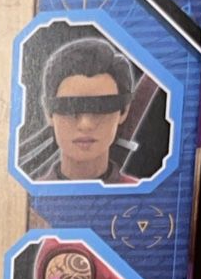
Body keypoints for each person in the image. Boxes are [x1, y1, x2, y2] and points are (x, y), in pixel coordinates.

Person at [19, 36, 139, 184]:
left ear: (123, 111)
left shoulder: (143, 194)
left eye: (101, 108)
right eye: (69, 108)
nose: (85, 124)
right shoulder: (23, 195)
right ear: (49, 112)